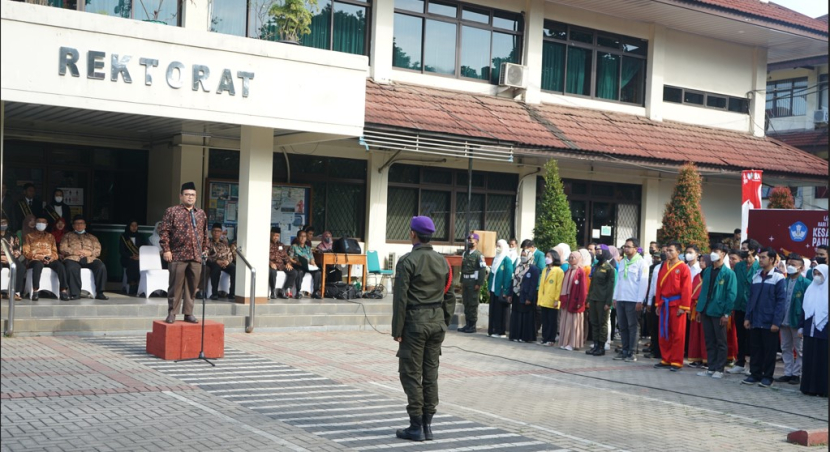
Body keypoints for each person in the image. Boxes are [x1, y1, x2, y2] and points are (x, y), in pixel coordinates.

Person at [391, 216, 455, 442]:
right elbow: (449, 295)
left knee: (410, 373)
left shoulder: (408, 261)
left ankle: (416, 425)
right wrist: (443, 322)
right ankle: (428, 425)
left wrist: (397, 329)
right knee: (430, 375)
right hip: (436, 322)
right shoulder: (443, 262)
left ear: (413, 234)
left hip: (415, 323)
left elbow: (400, 299)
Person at [159, 182, 209, 324]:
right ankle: (172, 313)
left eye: (192, 195)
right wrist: (166, 249)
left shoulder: (200, 214)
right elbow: (164, 232)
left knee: (192, 286)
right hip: (178, 254)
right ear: (181, 196)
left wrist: (205, 249)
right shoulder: (172, 211)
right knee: (175, 285)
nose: (190, 197)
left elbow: (205, 233)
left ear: (196, 196)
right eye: (186, 194)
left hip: (196, 255)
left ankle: (188, 313)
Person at [742, 247, 786, 388]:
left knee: (769, 351)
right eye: (759, 257)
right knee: (755, 349)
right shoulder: (756, 275)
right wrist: (748, 317)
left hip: (769, 321)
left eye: (763, 257)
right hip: (755, 319)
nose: (760, 260)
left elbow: (781, 302)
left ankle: (767, 377)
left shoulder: (778, 277)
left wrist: (776, 322)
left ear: (772, 260)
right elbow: (751, 299)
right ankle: (755, 374)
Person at [695, 244, 737, 379]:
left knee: (721, 341)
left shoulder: (729, 273)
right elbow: (703, 292)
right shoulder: (707, 271)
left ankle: (720, 368)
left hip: (719, 311)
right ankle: (711, 367)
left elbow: (731, 294)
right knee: (709, 340)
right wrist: (699, 310)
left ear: (723, 254)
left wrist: (726, 313)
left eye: (716, 251)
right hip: (706, 309)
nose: (713, 254)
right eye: (712, 251)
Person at [653, 241, 692, 371]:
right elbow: (658, 286)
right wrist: (658, 303)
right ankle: (666, 358)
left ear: (678, 252)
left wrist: (683, 306)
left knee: (677, 334)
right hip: (664, 304)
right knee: (664, 332)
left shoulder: (683, 267)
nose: (668, 253)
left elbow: (687, 289)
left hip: (677, 305)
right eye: (667, 250)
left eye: (671, 250)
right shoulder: (663, 265)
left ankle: (676, 361)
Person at [727, 240, 761, 375]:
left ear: (752, 250)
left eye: (745, 248)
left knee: (752, 338)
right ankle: (740, 362)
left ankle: (753, 365)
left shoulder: (759, 266)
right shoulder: (739, 266)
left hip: (752, 307)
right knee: (740, 336)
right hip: (739, 305)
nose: (742, 249)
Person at [613, 238, 649, 362]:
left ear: (635, 248)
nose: (626, 249)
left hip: (633, 299)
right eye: (625, 246)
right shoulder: (623, 262)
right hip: (621, 298)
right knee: (622, 326)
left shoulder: (641, 263)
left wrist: (640, 300)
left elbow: (643, 283)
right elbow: (619, 281)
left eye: (628, 246)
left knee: (633, 326)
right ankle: (624, 350)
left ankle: (632, 352)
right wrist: (615, 297)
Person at [776, 254, 809, 385]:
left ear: (801, 268)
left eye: (793, 265)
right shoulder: (783, 281)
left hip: (797, 321)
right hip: (783, 320)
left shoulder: (806, 283)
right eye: (789, 264)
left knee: (799, 349)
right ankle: (787, 373)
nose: (790, 267)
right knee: (785, 347)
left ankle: (796, 374)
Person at [60, 215, 109, 300]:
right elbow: (62, 248)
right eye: (77, 224)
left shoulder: (92, 237)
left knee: (101, 266)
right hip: (73, 258)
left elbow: (98, 249)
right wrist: (74, 252)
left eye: (81, 223)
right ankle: (75, 293)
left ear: (85, 225)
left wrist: (90, 253)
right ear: (73, 226)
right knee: (71, 268)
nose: (79, 225)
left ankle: (100, 292)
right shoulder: (67, 236)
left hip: (90, 258)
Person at [22, 217, 70, 301]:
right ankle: (35, 290)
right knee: (38, 265)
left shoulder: (50, 236)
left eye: (43, 222)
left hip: (49, 259)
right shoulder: (29, 236)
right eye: (39, 222)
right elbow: (26, 252)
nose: (41, 224)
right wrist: (39, 257)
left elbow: (55, 251)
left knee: (60, 266)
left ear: (47, 225)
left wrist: (51, 258)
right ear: (36, 224)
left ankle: (63, 290)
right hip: (35, 259)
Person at [799, 264, 828, 397]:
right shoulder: (810, 289)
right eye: (815, 273)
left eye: (819, 274)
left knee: (822, 360)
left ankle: (822, 389)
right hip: (809, 330)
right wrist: (801, 326)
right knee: (809, 358)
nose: (817, 276)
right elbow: (804, 309)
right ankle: (808, 387)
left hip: (824, 332)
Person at [586, 248, 615, 356]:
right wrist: (588, 299)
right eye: (596, 252)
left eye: (599, 252)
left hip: (603, 300)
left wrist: (608, 302)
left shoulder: (609, 268)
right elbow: (592, 285)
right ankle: (596, 345)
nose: (597, 254)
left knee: (602, 323)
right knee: (594, 322)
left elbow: (610, 287)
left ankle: (601, 347)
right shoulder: (596, 266)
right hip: (593, 298)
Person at [458, 233, 486, 333]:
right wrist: (461, 282)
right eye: (469, 240)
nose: (470, 241)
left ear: (477, 242)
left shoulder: (479, 255)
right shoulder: (465, 254)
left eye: (472, 240)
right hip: (465, 281)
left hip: (473, 281)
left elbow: (482, 270)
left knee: (473, 303)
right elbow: (463, 268)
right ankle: (467, 324)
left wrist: (479, 283)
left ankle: (472, 325)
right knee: (466, 302)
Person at [509, 248, 539, 343]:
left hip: (526, 297)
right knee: (516, 316)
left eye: (525, 255)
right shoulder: (518, 266)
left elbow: (533, 285)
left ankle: (525, 337)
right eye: (522, 255)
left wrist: (529, 298)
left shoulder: (534, 269)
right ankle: (515, 335)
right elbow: (513, 280)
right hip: (516, 295)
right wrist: (510, 294)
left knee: (526, 317)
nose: (523, 257)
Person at [560, 251, 588, 351]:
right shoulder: (568, 271)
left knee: (573, 323)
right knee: (565, 322)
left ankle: (573, 343)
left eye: (573, 257)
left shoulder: (581, 272)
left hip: (575, 301)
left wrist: (581, 301)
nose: (571, 259)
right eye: (570, 257)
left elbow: (583, 288)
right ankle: (565, 341)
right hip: (567, 300)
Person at [687, 254, 709, 369]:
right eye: (700, 261)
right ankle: (696, 358)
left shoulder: (711, 275)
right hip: (695, 308)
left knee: (706, 335)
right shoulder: (696, 276)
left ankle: (707, 359)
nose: (701, 263)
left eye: (704, 261)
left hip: (706, 309)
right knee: (695, 335)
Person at [538, 249, 564, 346]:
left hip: (553, 300)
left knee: (552, 321)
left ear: (554, 258)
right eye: (546, 256)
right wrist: (540, 298)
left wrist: (557, 300)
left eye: (549, 257)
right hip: (544, 299)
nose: (546, 258)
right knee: (545, 320)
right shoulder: (545, 270)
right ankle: (545, 338)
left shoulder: (559, 271)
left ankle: (551, 339)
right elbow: (541, 286)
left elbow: (559, 286)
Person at [487, 239, 513, 338]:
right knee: (493, 310)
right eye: (497, 246)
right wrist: (489, 288)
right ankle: (492, 330)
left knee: (500, 311)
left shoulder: (507, 260)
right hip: (493, 289)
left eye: (500, 246)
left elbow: (508, 276)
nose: (497, 248)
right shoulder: (495, 259)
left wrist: (506, 290)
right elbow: (491, 275)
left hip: (501, 290)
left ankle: (500, 331)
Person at [206, 223, 236, 300]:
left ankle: (232, 293)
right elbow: (206, 255)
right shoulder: (208, 242)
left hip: (224, 262)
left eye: (218, 231)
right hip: (213, 262)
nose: (216, 233)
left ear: (221, 232)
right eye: (214, 231)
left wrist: (227, 261)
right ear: (211, 232)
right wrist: (217, 261)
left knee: (234, 268)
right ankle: (214, 293)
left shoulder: (224, 243)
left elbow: (229, 253)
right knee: (216, 268)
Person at [644, 248, 665, 359]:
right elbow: (653, 285)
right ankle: (655, 349)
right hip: (655, 298)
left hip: (666, 299)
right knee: (654, 326)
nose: (665, 253)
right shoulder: (657, 268)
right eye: (664, 251)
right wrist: (649, 301)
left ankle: (663, 352)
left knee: (664, 327)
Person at [289, 229, 322, 299]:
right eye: (301, 236)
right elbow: (290, 258)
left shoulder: (308, 248)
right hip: (299, 265)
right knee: (299, 272)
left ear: (306, 238)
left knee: (318, 272)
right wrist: (297, 262)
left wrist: (313, 264)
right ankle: (298, 292)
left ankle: (315, 292)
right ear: (297, 238)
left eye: (304, 236)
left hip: (308, 266)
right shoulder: (293, 247)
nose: (302, 238)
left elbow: (312, 258)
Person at [269, 227, 298, 299]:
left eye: (277, 236)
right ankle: (273, 291)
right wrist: (270, 263)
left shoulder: (281, 245)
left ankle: (283, 290)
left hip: (281, 265)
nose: (276, 237)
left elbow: (285, 256)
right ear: (270, 234)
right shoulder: (266, 244)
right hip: (272, 265)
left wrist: (288, 263)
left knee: (294, 272)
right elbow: (263, 256)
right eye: (274, 235)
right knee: (272, 272)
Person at [119, 220, 147, 296]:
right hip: (127, 258)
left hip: (140, 258)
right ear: (129, 226)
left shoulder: (141, 236)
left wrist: (139, 256)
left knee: (137, 263)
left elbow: (145, 247)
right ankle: (132, 283)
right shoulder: (124, 237)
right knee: (133, 262)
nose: (134, 227)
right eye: (132, 225)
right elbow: (122, 251)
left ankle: (136, 284)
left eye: (136, 226)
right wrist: (130, 256)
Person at [0, 218, 25, 300]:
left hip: (10, 258)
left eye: (4, 222)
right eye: (1, 222)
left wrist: (9, 258)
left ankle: (15, 292)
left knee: (21, 267)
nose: (2, 224)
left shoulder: (13, 236)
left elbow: (17, 250)